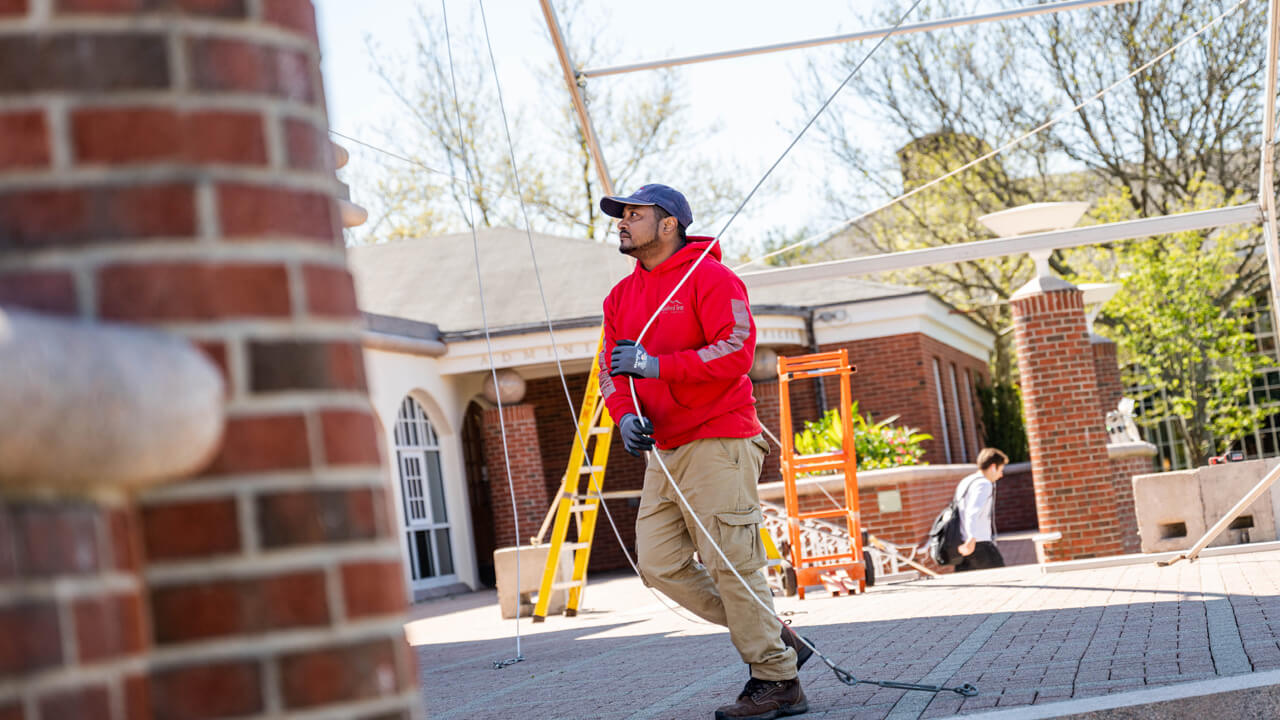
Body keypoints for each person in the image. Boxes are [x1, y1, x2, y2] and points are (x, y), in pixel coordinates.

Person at [598, 184, 811, 720]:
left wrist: (657, 366)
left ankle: (777, 679)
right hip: (662, 452)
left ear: (668, 223)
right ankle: (773, 635)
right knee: (658, 564)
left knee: (732, 565)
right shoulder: (618, 299)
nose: (622, 222)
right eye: (621, 215)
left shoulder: (711, 278)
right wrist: (623, 416)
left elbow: (737, 350)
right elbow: (609, 370)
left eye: (634, 214)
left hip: (719, 439)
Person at [955, 447, 1008, 572]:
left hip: (964, 541)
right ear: (993, 467)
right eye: (1000, 470)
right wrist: (972, 537)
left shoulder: (966, 481)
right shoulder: (983, 484)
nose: (1001, 475)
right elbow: (972, 512)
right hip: (978, 543)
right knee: (1003, 576)